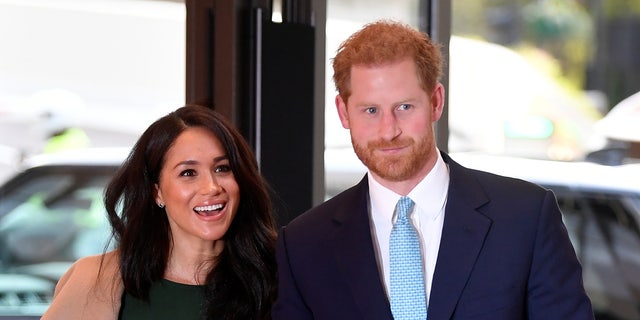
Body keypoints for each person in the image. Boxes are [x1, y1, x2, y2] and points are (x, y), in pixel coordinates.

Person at [272, 20, 594, 319]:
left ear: (436, 102)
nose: (388, 130)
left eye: (404, 107)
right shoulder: (303, 246)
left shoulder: (526, 218)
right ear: (343, 112)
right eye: (370, 110)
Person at [42, 105, 277, 320]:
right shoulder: (94, 280)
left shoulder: (280, 275)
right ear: (157, 192)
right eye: (188, 173)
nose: (212, 187)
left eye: (222, 168)